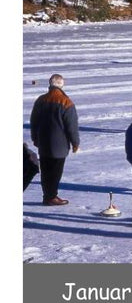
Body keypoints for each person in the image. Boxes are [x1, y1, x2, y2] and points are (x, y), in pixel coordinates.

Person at [29, 74, 80, 206]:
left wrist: (35, 138)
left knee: (45, 171)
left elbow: (34, 121)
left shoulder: (41, 100)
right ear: (62, 85)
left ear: (50, 84)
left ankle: (48, 195)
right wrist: (75, 143)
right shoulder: (66, 102)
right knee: (55, 172)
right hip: (60, 145)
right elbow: (72, 126)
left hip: (43, 142)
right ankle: (51, 196)